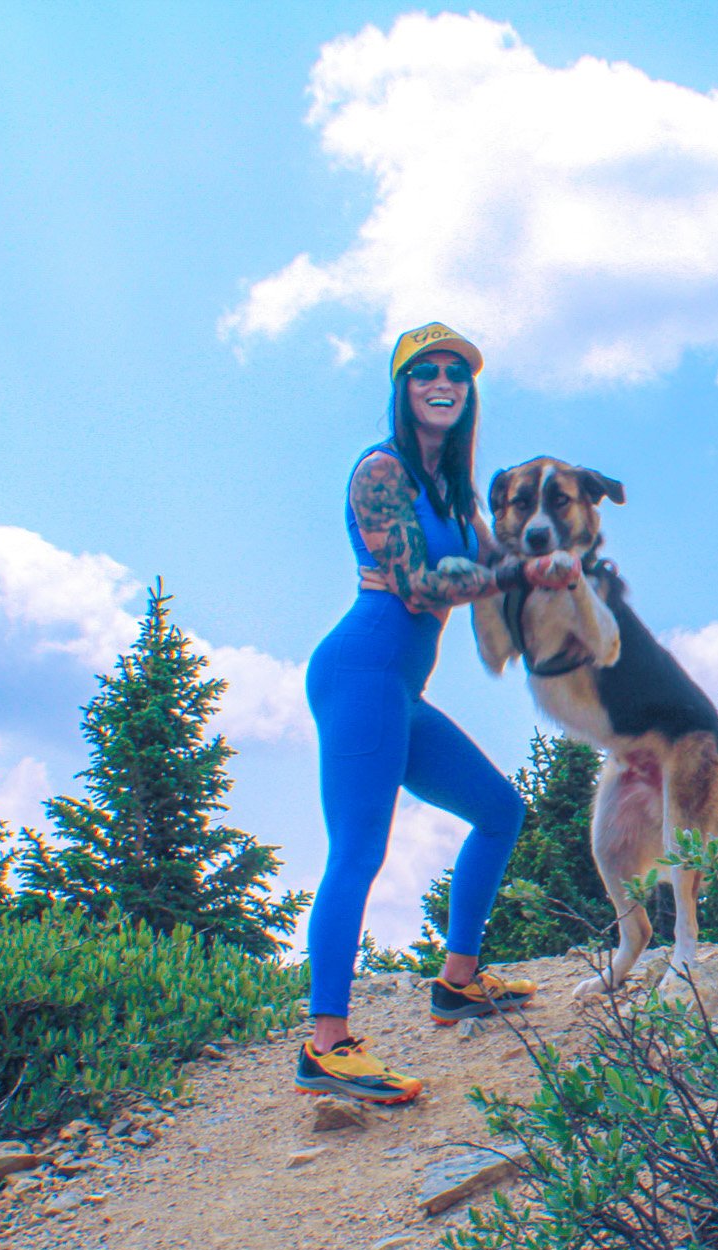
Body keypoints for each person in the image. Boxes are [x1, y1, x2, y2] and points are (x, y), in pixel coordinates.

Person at [297, 322, 537, 1104]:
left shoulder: (450, 492)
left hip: (399, 688)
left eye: (457, 374)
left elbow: (499, 569)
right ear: (403, 388)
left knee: (501, 809)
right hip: (359, 671)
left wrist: (554, 568)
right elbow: (419, 585)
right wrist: (508, 573)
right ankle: (326, 1044)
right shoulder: (381, 471)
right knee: (359, 850)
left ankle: (457, 982)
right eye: (425, 371)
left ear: (468, 395)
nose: (443, 382)